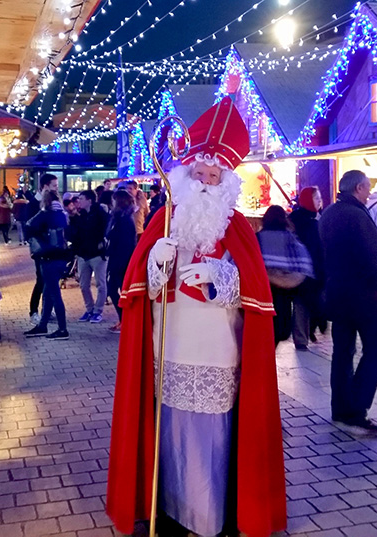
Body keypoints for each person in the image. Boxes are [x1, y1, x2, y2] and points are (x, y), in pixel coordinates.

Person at [107, 97, 285, 537]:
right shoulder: (163, 222)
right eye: (200, 175)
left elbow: (256, 294)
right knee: (169, 432)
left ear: (225, 183)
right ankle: (169, 509)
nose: (205, 183)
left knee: (211, 438)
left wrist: (221, 275)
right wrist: (155, 261)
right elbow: (140, 292)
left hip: (217, 348)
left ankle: (209, 518)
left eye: (213, 177)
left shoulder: (238, 227)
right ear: (185, 176)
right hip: (169, 346)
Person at [319, 170, 377, 432]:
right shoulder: (357, 215)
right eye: (367, 187)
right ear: (358, 188)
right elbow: (373, 258)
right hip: (364, 296)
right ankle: (357, 409)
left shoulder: (329, 213)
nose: (370, 192)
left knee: (342, 352)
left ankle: (340, 408)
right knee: (375, 350)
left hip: (338, 293)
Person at [257, 205, 314, 348]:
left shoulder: (258, 238)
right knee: (280, 328)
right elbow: (303, 261)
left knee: (264, 327)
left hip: (263, 290)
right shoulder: (291, 239)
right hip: (284, 292)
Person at [23, 190, 71, 340]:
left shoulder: (44, 214)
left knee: (54, 295)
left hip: (48, 257)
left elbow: (28, 225)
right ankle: (42, 326)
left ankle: (62, 329)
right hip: (62, 258)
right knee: (48, 293)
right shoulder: (63, 214)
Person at [290, 186, 326, 349]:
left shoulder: (318, 218)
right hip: (301, 269)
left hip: (316, 267)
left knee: (312, 301)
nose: (320, 201)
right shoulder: (299, 221)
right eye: (316, 198)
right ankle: (301, 339)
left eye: (319, 198)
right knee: (301, 303)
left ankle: (309, 330)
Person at [69, 189, 110, 323]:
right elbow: (75, 234)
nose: (78, 201)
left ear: (89, 200)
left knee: (100, 284)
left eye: (81, 199)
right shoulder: (80, 215)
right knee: (83, 284)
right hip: (83, 254)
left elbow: (104, 231)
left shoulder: (100, 214)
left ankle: (98, 311)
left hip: (97, 254)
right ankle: (89, 309)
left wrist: (102, 245)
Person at [27, 173, 59, 325]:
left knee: (51, 279)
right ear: (45, 186)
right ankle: (33, 311)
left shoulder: (53, 201)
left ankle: (47, 309)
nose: (56, 188)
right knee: (41, 279)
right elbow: (30, 227)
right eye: (54, 185)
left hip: (52, 247)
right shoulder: (34, 204)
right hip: (40, 248)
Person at [105, 188, 137, 333]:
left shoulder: (124, 220)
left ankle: (125, 320)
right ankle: (123, 319)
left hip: (121, 260)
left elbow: (125, 243)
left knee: (117, 289)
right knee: (114, 289)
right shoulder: (119, 218)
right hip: (117, 258)